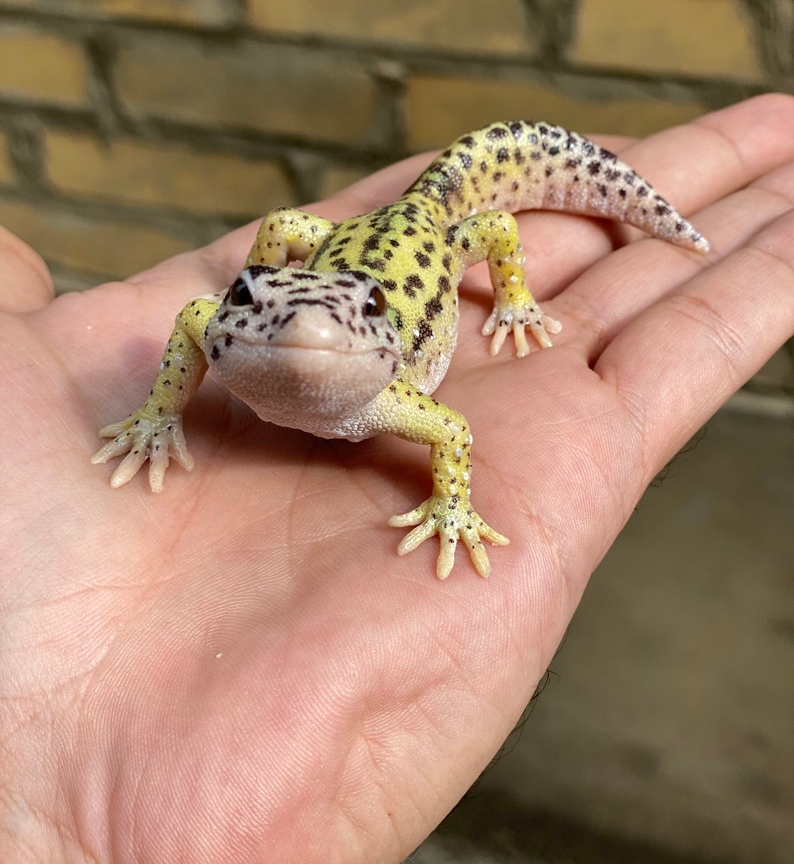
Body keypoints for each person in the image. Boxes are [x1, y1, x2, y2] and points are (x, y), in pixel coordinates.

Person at [1, 94, 792, 864]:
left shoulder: (387, 392)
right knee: (282, 236)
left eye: (336, 323)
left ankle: (594, 227)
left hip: (409, 241)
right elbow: (200, 317)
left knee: (455, 227)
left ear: (379, 339)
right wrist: (159, 409)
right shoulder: (223, 325)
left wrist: (504, 321)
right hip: (343, 264)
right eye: (248, 303)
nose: (300, 338)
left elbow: (456, 421)